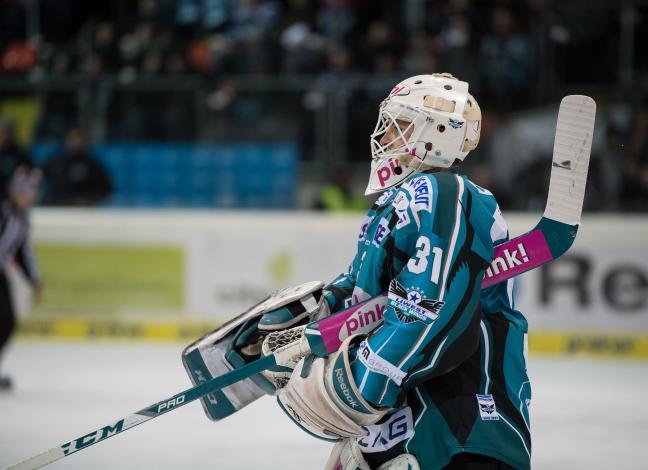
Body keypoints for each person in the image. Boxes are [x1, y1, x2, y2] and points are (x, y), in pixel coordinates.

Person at [260, 73, 531, 469]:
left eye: (399, 126)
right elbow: (361, 293)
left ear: (437, 133)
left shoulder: (443, 192)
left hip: (459, 427)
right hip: (405, 431)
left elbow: (427, 307)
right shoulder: (395, 205)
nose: (385, 137)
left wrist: (365, 385)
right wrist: (308, 316)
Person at [0, 167, 43, 391]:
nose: (31, 195)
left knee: (7, 322)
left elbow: (23, 253)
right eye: (27, 191)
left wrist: (35, 280)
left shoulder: (22, 219)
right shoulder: (3, 211)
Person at [43, 128, 112, 206]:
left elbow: (106, 189)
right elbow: (40, 179)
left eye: (79, 138)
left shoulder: (94, 165)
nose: (76, 142)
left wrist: (89, 199)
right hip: (59, 208)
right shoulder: (57, 162)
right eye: (72, 138)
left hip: (87, 210)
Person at [0, 120, 36, 198]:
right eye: (2, 133)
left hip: (16, 198)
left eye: (7, 133)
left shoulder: (21, 155)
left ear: (12, 134)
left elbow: (31, 175)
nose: (4, 136)